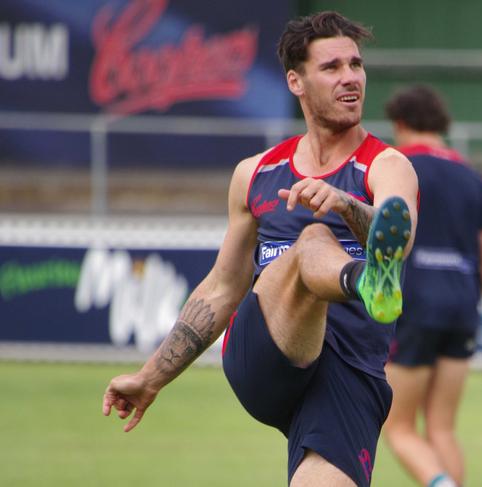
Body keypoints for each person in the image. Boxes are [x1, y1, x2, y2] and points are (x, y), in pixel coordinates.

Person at [102, 11, 419, 487]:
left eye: (356, 64)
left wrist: (346, 204)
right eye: (331, 67)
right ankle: (364, 280)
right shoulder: (256, 174)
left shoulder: (387, 166)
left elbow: (401, 232)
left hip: (348, 373)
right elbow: (221, 288)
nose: (350, 77)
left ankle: (370, 275)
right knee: (312, 239)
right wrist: (152, 377)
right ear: (296, 81)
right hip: (264, 354)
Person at [381, 85, 482, 487]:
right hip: (462, 307)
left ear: (400, 124)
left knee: (399, 428)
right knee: (441, 429)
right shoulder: (475, 181)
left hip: (415, 305)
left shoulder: (397, 168)